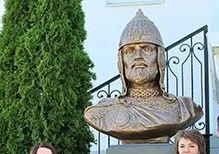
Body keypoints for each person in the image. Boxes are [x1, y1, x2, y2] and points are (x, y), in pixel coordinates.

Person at [83, 9, 202, 143]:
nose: (138, 57)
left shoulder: (185, 109)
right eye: (130, 51)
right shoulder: (102, 112)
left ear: (160, 58)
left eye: (146, 49)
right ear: (121, 61)